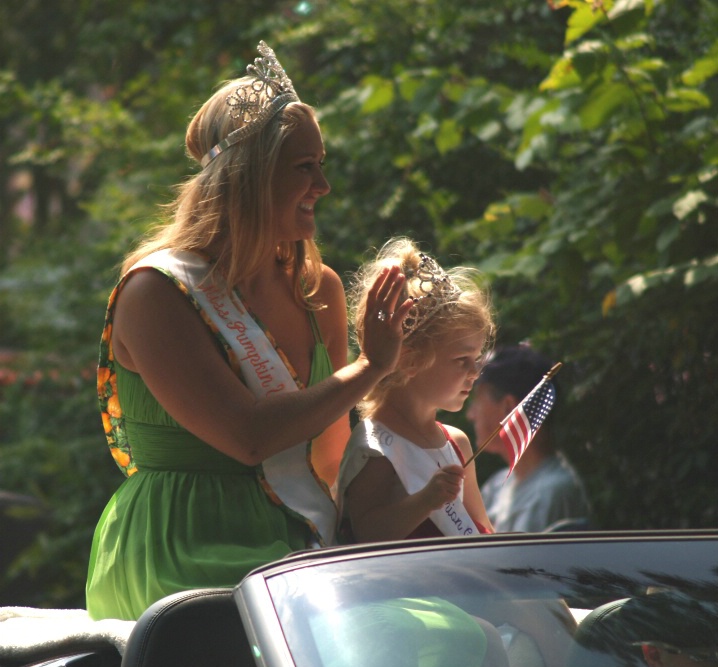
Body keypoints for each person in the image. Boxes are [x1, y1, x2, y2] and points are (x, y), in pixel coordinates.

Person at [86, 41, 414, 621]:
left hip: (296, 546)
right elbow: (249, 437)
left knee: (463, 631)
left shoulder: (320, 292)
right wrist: (370, 368)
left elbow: (330, 453)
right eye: (303, 168)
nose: (324, 186)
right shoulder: (157, 292)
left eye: (322, 164)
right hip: (184, 549)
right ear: (249, 178)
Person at [337, 237, 496, 543]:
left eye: (476, 359)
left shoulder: (457, 443)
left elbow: (483, 532)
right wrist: (426, 501)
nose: (475, 373)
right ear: (410, 361)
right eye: (462, 360)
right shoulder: (376, 447)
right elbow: (365, 534)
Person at [466, 345, 590, 533]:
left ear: (508, 407)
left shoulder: (553, 493)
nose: (470, 415)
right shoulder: (496, 486)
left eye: (477, 401)